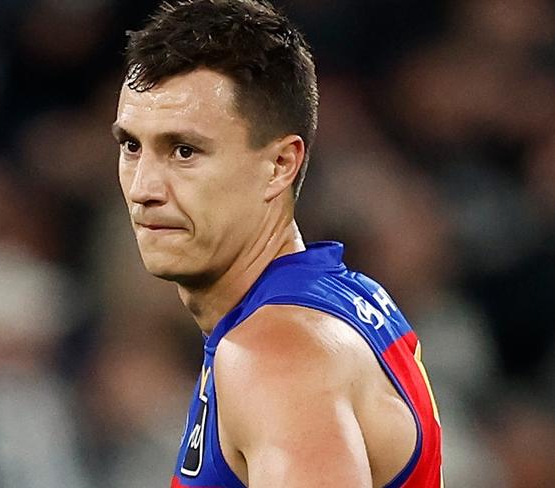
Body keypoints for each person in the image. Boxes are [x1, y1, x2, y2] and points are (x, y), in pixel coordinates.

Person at [112, 0, 443, 486]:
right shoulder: (333, 302)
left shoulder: (275, 356)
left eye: (184, 151)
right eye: (131, 146)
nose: (143, 188)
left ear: (280, 165)